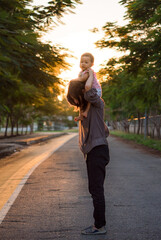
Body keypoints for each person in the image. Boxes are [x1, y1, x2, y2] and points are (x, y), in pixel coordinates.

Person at [66, 80, 110, 235]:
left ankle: (99, 226)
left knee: (96, 189)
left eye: (75, 97)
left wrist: (90, 73)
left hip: (98, 151)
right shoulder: (86, 110)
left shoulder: (95, 102)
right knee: (94, 189)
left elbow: (90, 92)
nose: (75, 101)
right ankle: (98, 225)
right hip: (93, 152)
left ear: (82, 93)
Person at [71, 53, 102, 121]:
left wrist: (72, 80)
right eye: (81, 62)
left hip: (96, 90)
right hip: (88, 90)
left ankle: (86, 112)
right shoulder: (81, 72)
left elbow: (82, 79)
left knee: (88, 99)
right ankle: (80, 115)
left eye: (86, 62)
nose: (83, 64)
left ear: (91, 64)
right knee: (81, 100)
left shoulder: (88, 71)